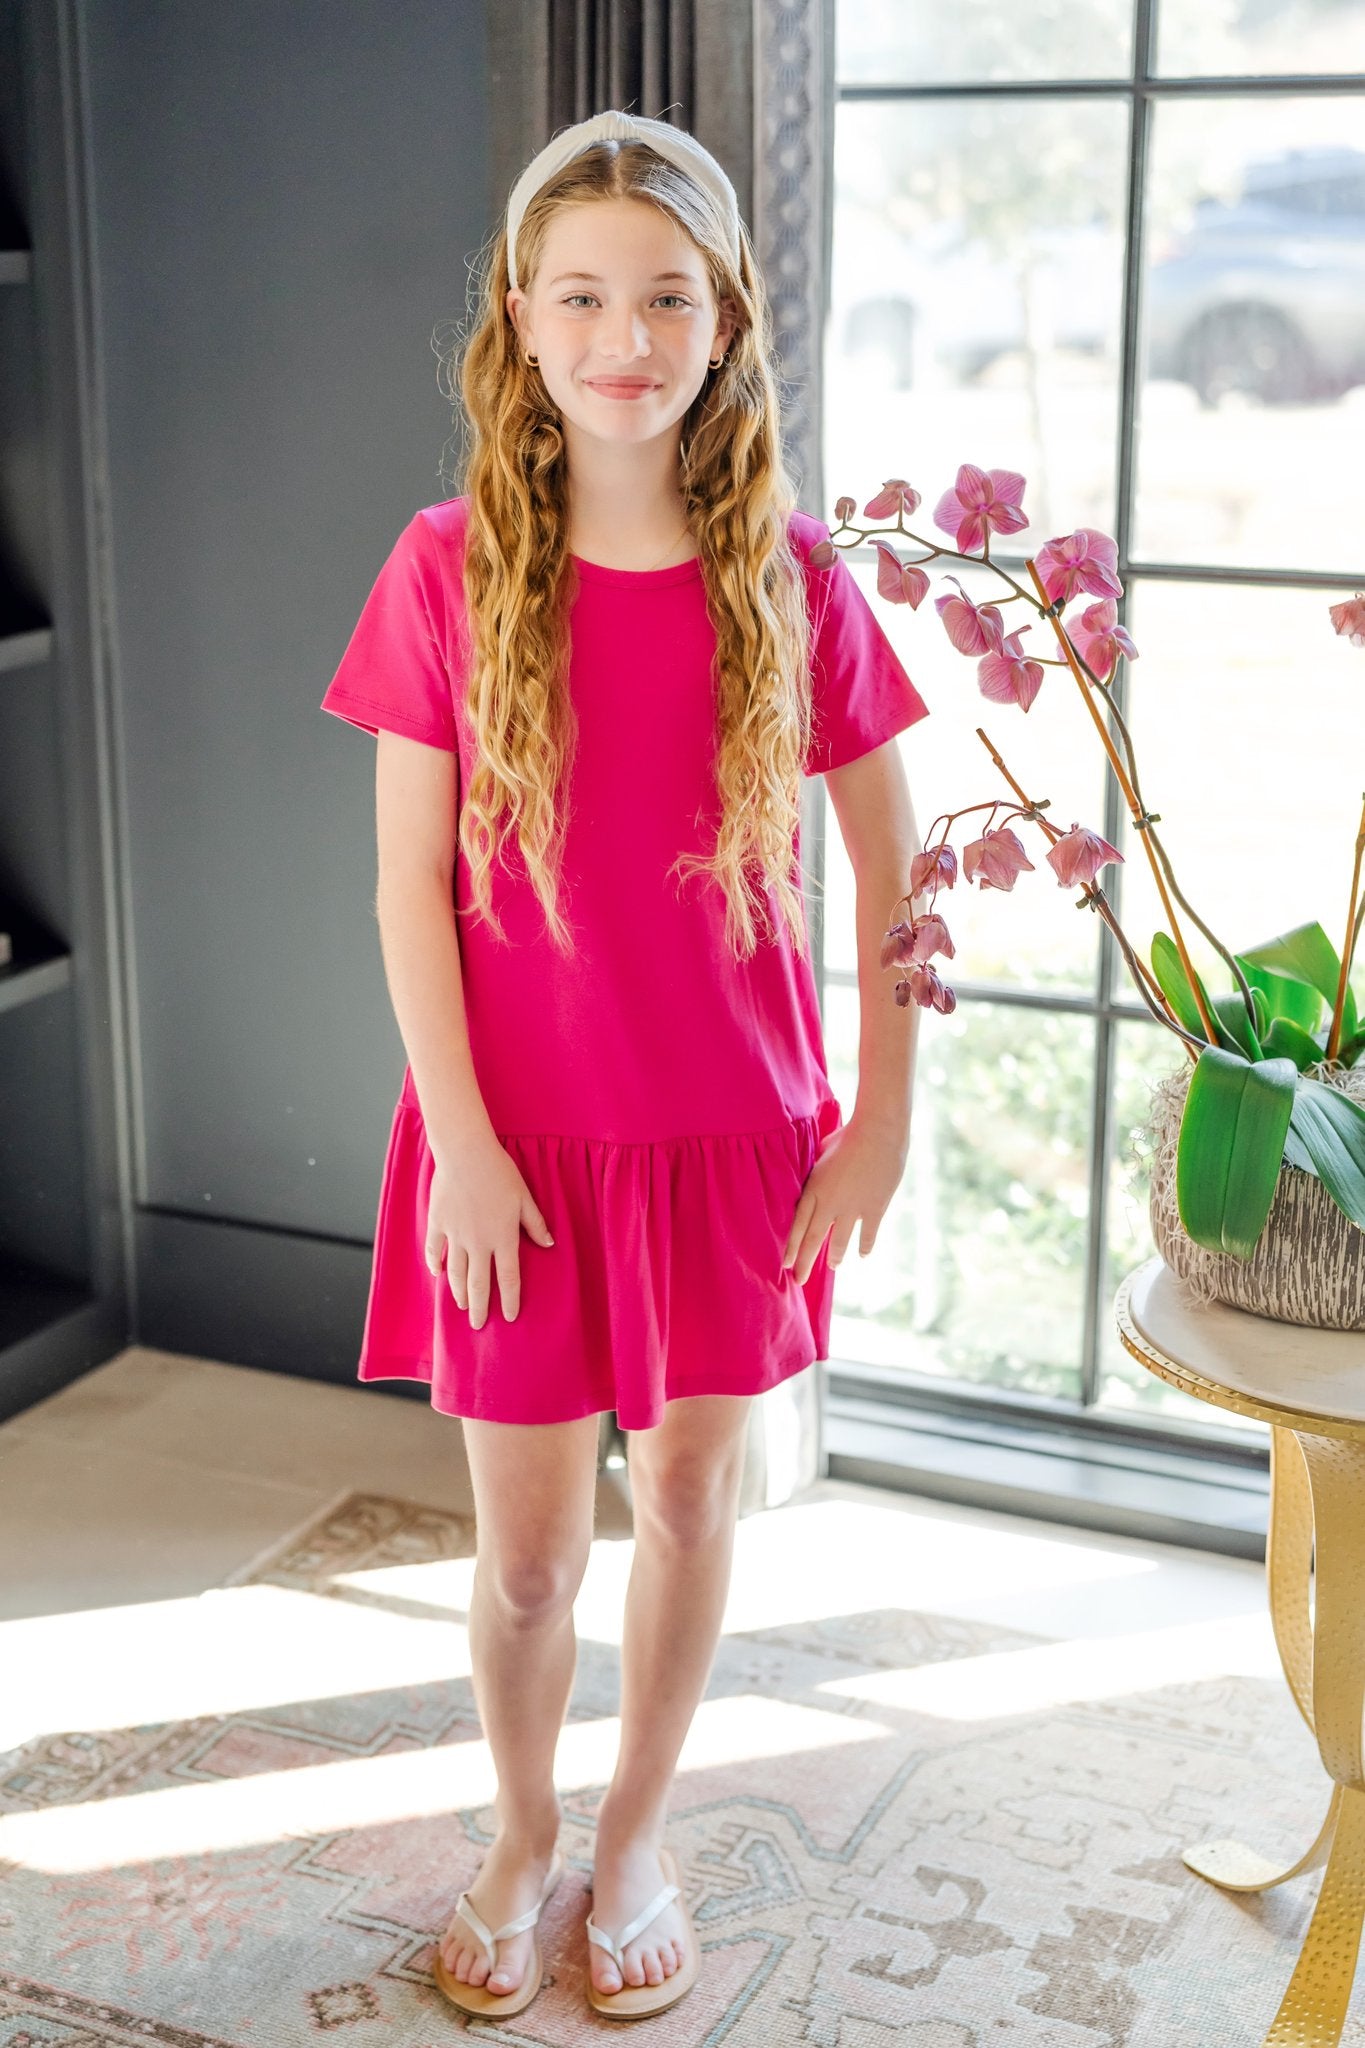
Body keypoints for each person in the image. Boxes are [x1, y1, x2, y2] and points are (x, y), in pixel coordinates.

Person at [320, 106, 929, 2023]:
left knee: (684, 1505)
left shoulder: (797, 579)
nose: (623, 337)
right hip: (509, 1147)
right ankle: (520, 1837)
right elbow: (407, 890)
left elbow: (899, 878)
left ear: (725, 318)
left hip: (733, 1145)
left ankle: (638, 1833)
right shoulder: (443, 568)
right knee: (521, 1566)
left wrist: (881, 1123)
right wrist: (464, 1146)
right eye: (579, 296)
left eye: (665, 297)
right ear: (518, 318)